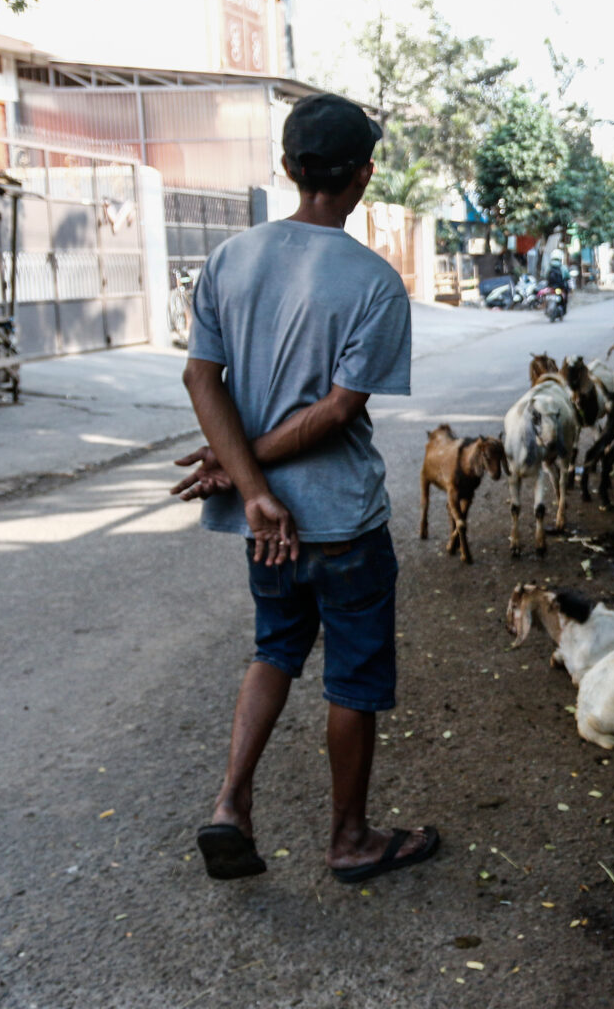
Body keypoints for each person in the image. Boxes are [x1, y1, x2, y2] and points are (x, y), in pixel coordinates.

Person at [170, 92, 438, 884]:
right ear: (364, 175)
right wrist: (247, 469)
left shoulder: (229, 260)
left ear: (289, 169)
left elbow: (199, 376)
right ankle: (350, 839)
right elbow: (337, 410)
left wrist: (246, 481)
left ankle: (230, 804)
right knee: (352, 678)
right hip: (344, 524)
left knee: (275, 648)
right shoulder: (376, 284)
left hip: (268, 527)